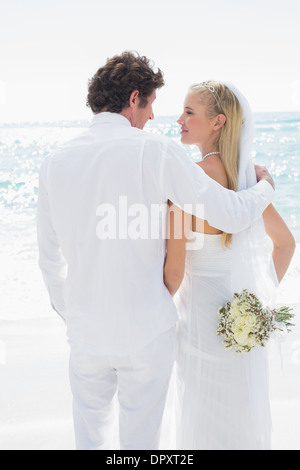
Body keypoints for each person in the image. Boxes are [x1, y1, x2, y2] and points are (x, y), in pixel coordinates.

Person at [37, 52, 276, 451]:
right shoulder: (156, 152)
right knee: (140, 445)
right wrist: (266, 186)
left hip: (85, 334)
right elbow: (230, 215)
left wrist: (73, 314)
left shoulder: (53, 162)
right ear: (134, 98)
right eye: (150, 106)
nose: (152, 118)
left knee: (89, 440)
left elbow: (49, 259)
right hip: (146, 330)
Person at [164, 80, 295, 450]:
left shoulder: (190, 179)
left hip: (199, 324)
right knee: (238, 422)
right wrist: (258, 305)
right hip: (241, 323)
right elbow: (285, 243)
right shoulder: (246, 179)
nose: (179, 119)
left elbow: (173, 272)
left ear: (218, 122)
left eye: (189, 112)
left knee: (199, 419)